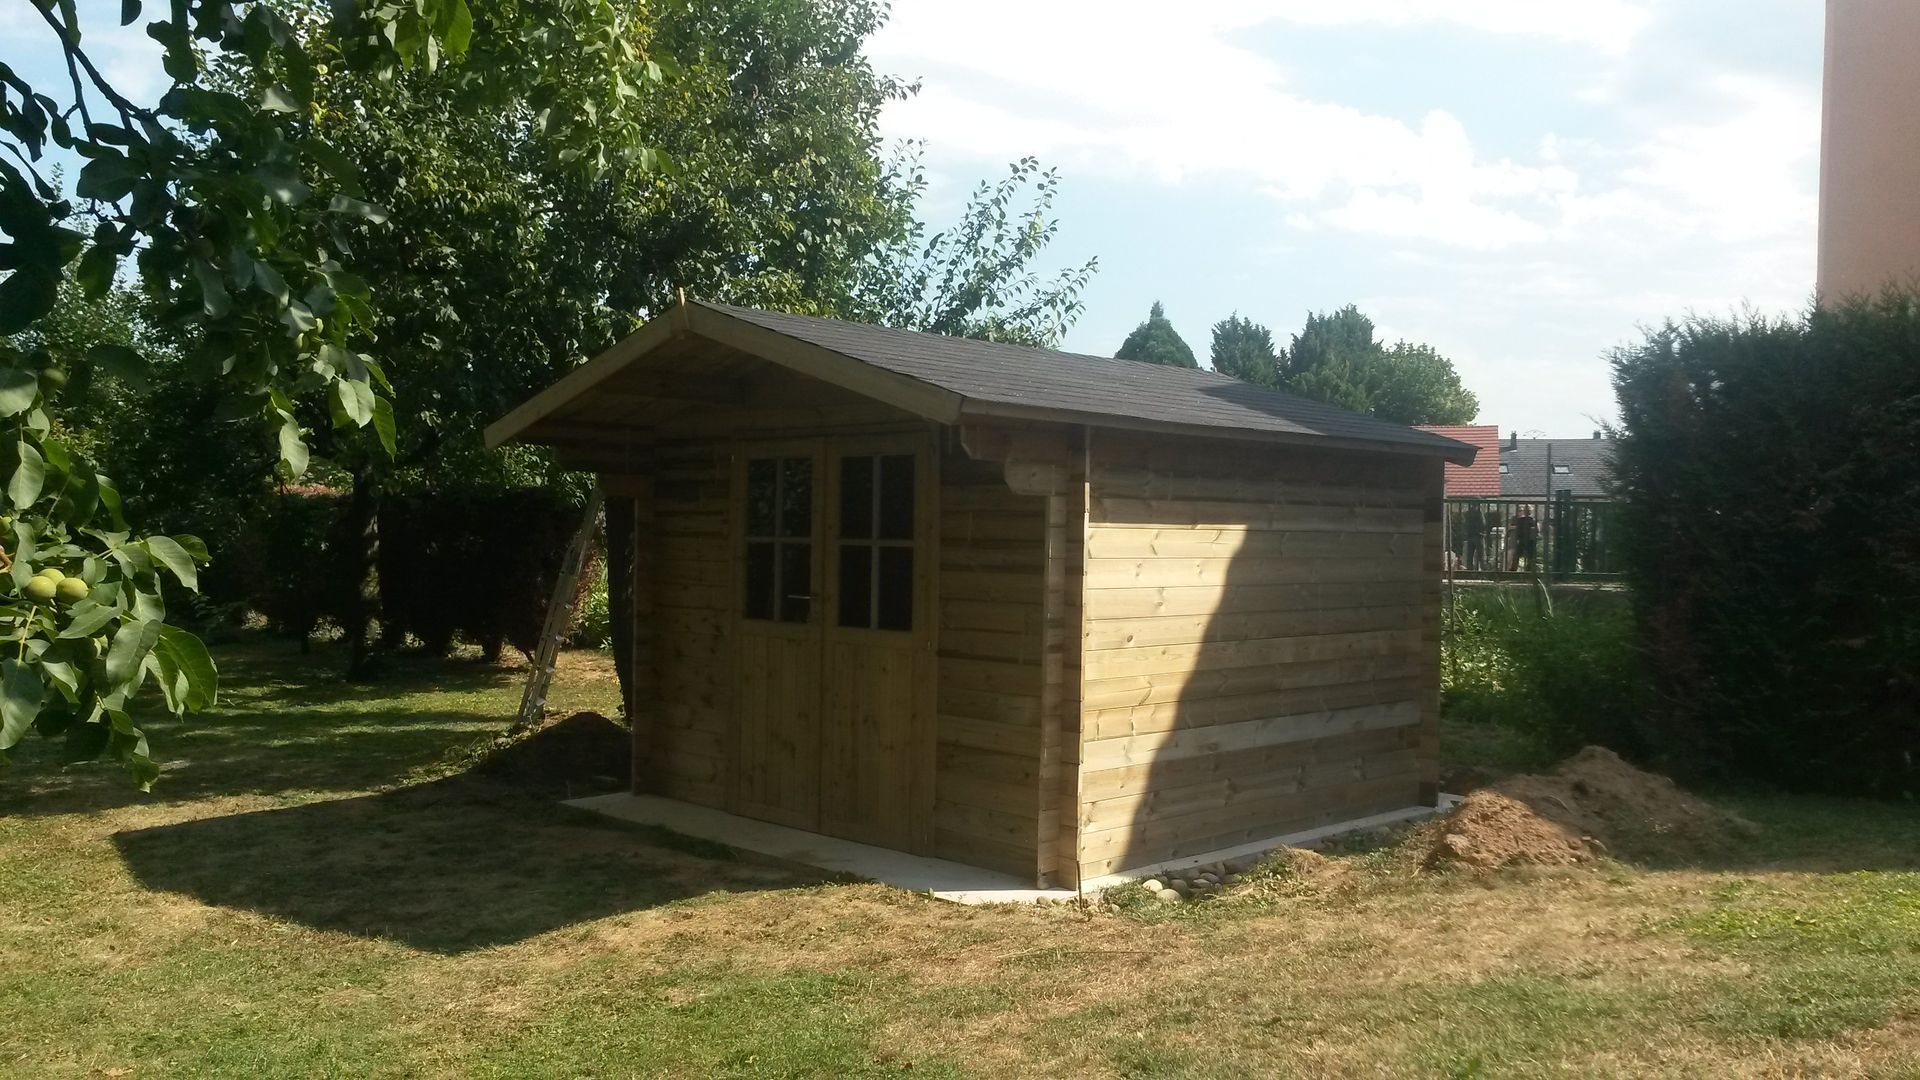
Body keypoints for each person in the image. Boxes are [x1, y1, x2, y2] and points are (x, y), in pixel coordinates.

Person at [1509, 504, 1540, 572]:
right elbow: (1537, 531)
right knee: (1530, 556)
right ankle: (1529, 569)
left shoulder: (1521, 520)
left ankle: (1514, 569)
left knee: (1517, 555)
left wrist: (1518, 538)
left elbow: (1518, 531)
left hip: (1523, 540)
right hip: (1530, 540)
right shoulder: (1533, 520)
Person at [1463, 502, 1487, 571]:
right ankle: (1483, 571)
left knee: (1470, 556)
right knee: (1481, 555)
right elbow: (1483, 523)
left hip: (1470, 535)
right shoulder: (1479, 513)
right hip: (1479, 536)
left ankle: (1470, 571)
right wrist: (1483, 533)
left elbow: (1465, 524)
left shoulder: (1467, 513)